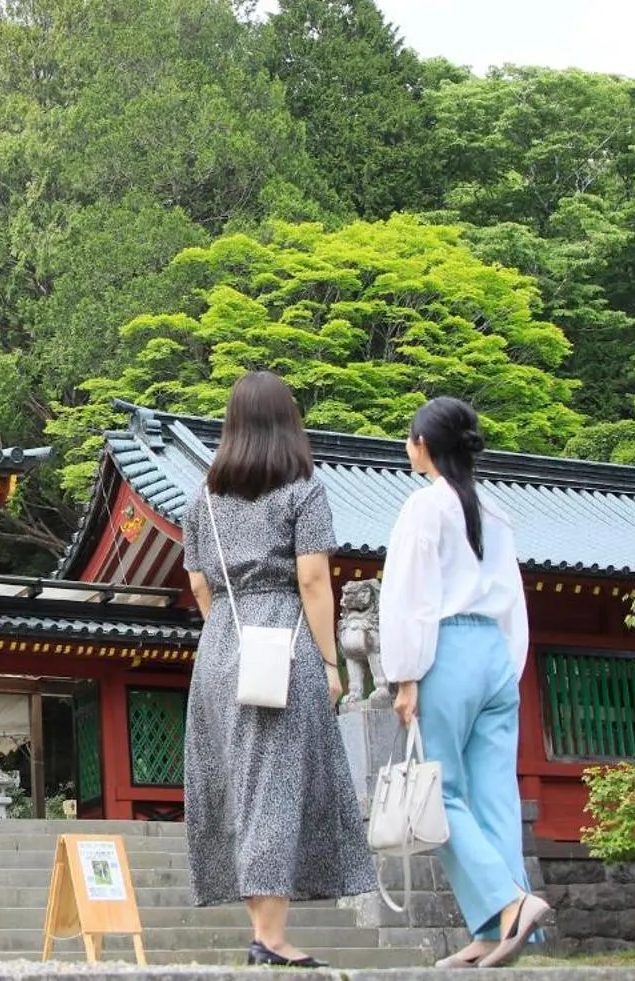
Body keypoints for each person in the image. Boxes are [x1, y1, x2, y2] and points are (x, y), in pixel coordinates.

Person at [180, 370, 378, 969]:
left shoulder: (201, 500)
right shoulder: (303, 490)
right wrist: (328, 658)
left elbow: (199, 584)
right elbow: (314, 580)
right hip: (283, 640)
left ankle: (263, 927)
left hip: (220, 645)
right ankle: (269, 938)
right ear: (287, 421)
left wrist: (229, 637)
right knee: (274, 784)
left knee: (234, 786)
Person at [379, 397, 551, 969]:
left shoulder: (425, 507)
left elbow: (409, 597)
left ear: (423, 445)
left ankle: (508, 904)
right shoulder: (495, 512)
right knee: (494, 796)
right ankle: (493, 930)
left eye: (410, 437)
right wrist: (507, 667)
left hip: (446, 652)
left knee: (440, 792)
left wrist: (405, 676)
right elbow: (514, 604)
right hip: (496, 657)